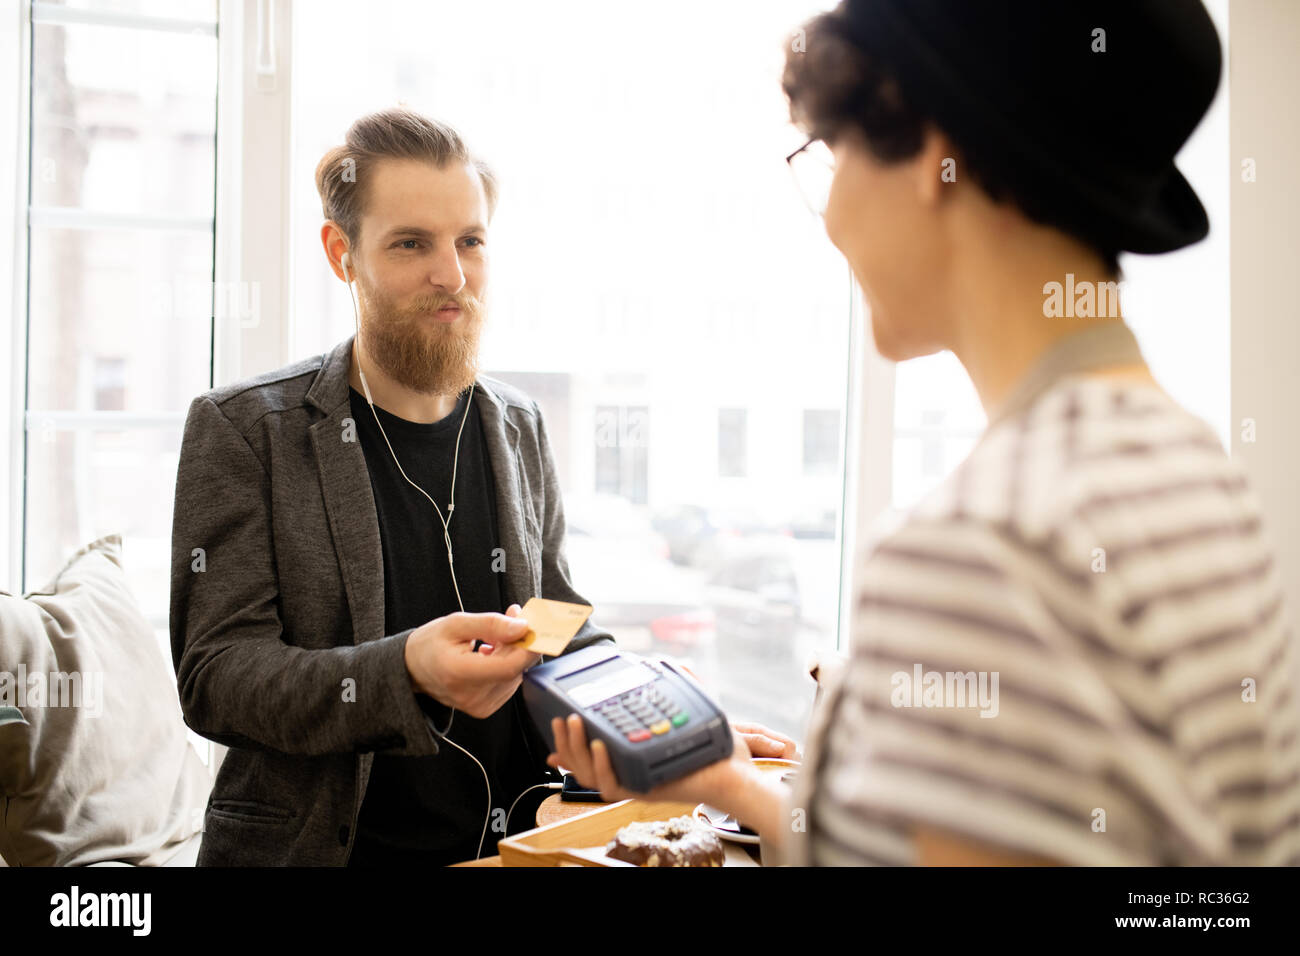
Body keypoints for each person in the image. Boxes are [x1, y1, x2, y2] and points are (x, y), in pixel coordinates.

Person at [550, 0, 1300, 866]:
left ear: (931, 154)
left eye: (831, 155)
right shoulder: (1198, 474)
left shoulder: (981, 542)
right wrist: (731, 785)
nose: (829, 218)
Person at [170, 107, 798, 866]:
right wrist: (405, 671)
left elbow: (556, 622)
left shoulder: (521, 423)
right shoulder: (245, 430)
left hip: (513, 850)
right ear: (343, 254)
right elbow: (217, 677)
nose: (452, 275)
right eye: (411, 244)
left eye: (470, 241)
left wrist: (665, 720)